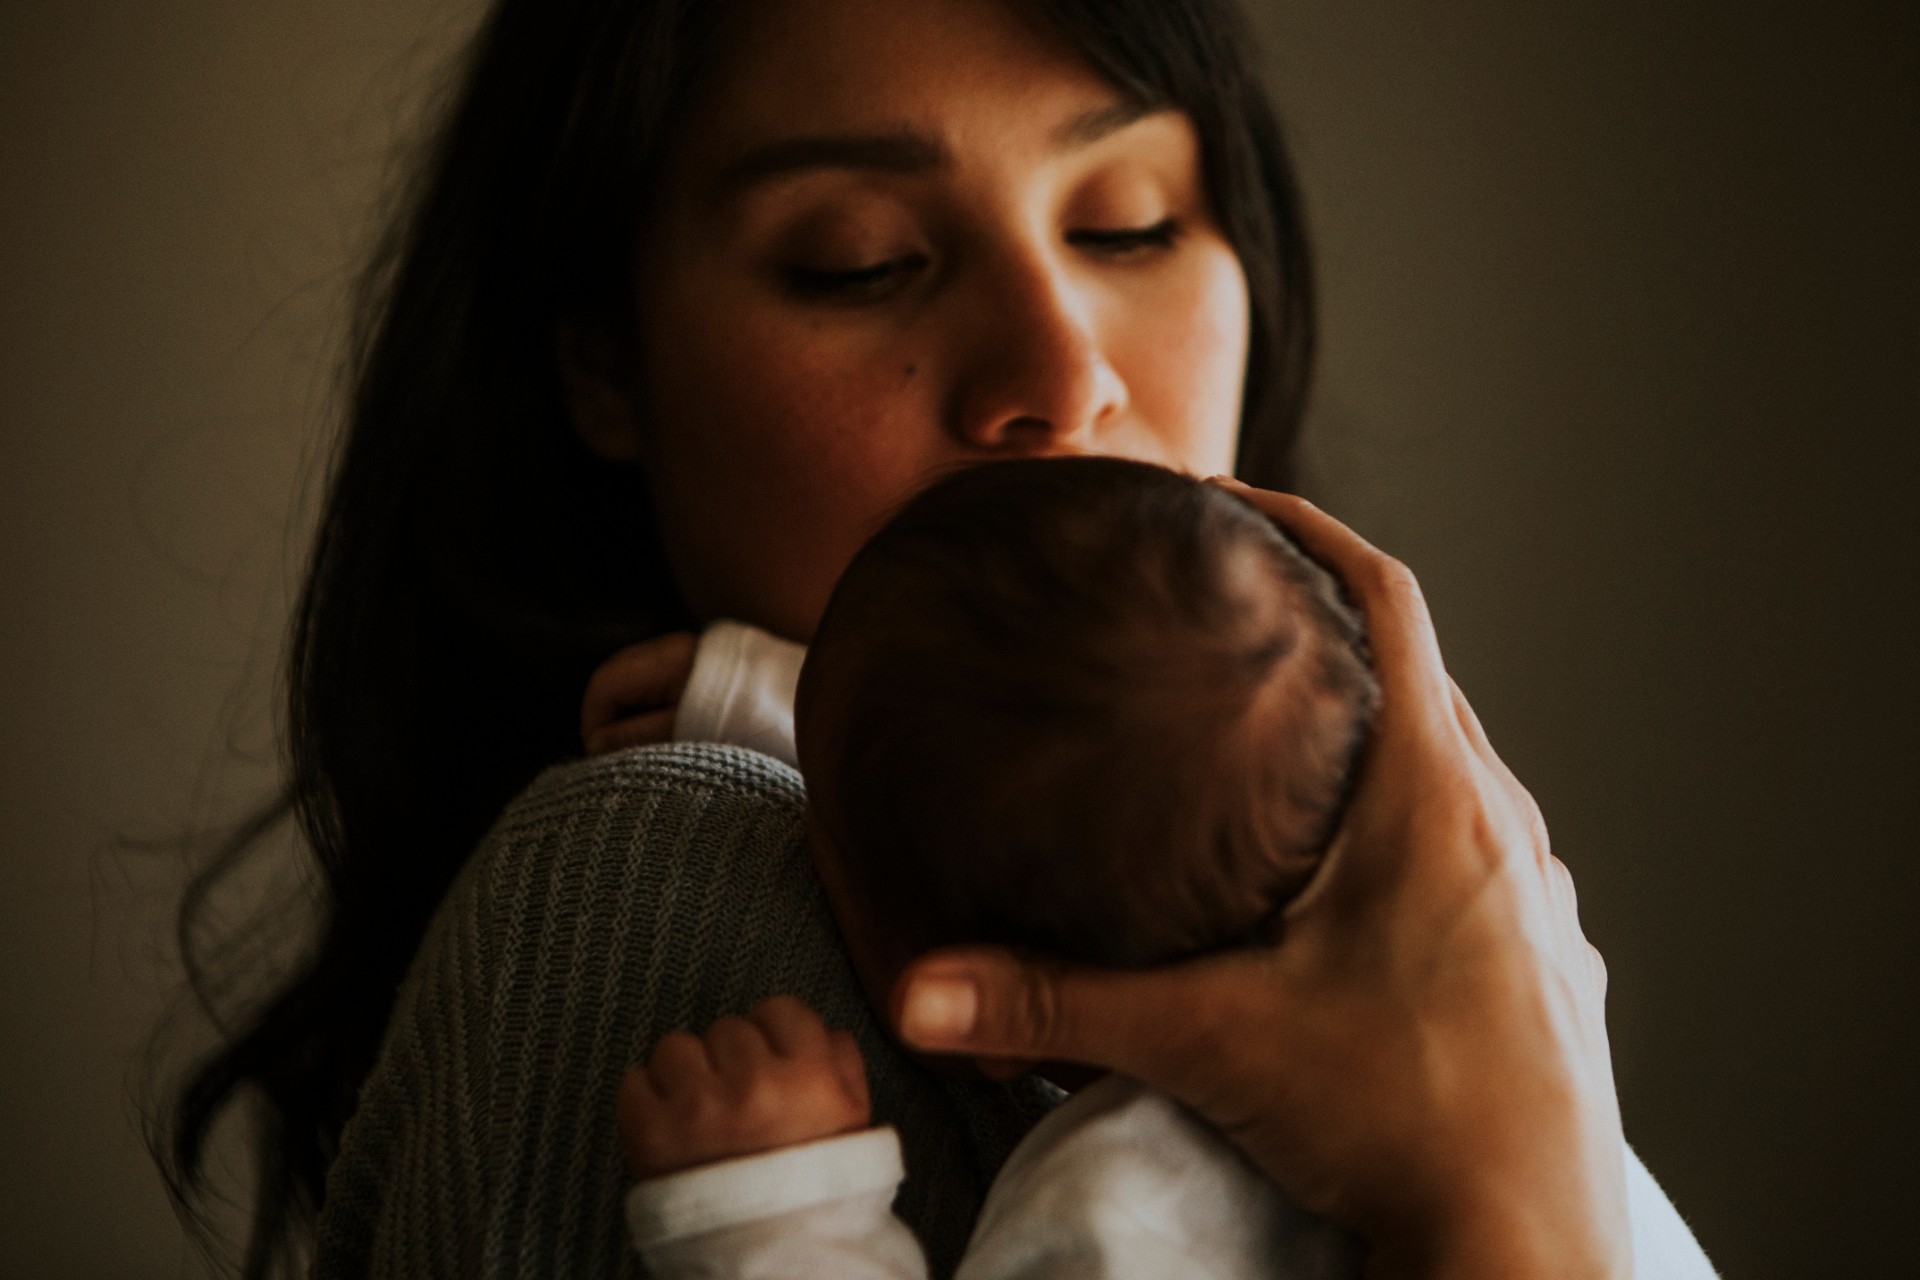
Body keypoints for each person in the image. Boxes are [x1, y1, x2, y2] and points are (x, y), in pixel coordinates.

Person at [152, 0, 1694, 1277]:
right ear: (604, 361)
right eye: (861, 260)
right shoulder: (657, 889)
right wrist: (1513, 1201)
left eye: (1131, 222)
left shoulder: (1399, 908)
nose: (1061, 373)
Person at [601, 458, 1712, 1280]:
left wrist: (773, 1217)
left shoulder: (1128, 1216)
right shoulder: (1519, 1044)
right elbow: (1061, 747)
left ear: (980, 1011)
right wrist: (762, 695)